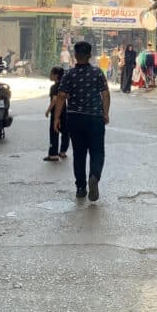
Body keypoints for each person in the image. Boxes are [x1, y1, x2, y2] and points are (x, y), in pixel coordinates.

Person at [53, 41, 110, 201]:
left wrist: (56, 118)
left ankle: (80, 188)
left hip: (75, 118)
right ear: (90, 55)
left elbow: (62, 96)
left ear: (75, 56)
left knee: (79, 153)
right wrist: (105, 113)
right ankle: (94, 176)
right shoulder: (97, 73)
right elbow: (105, 94)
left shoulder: (69, 74)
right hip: (95, 118)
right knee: (97, 151)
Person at [44, 66, 70, 161]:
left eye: (51, 73)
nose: (50, 75)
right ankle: (63, 152)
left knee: (54, 132)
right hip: (65, 111)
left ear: (56, 75)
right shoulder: (65, 85)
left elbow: (54, 100)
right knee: (65, 132)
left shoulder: (54, 87)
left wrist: (48, 110)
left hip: (56, 111)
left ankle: (53, 154)